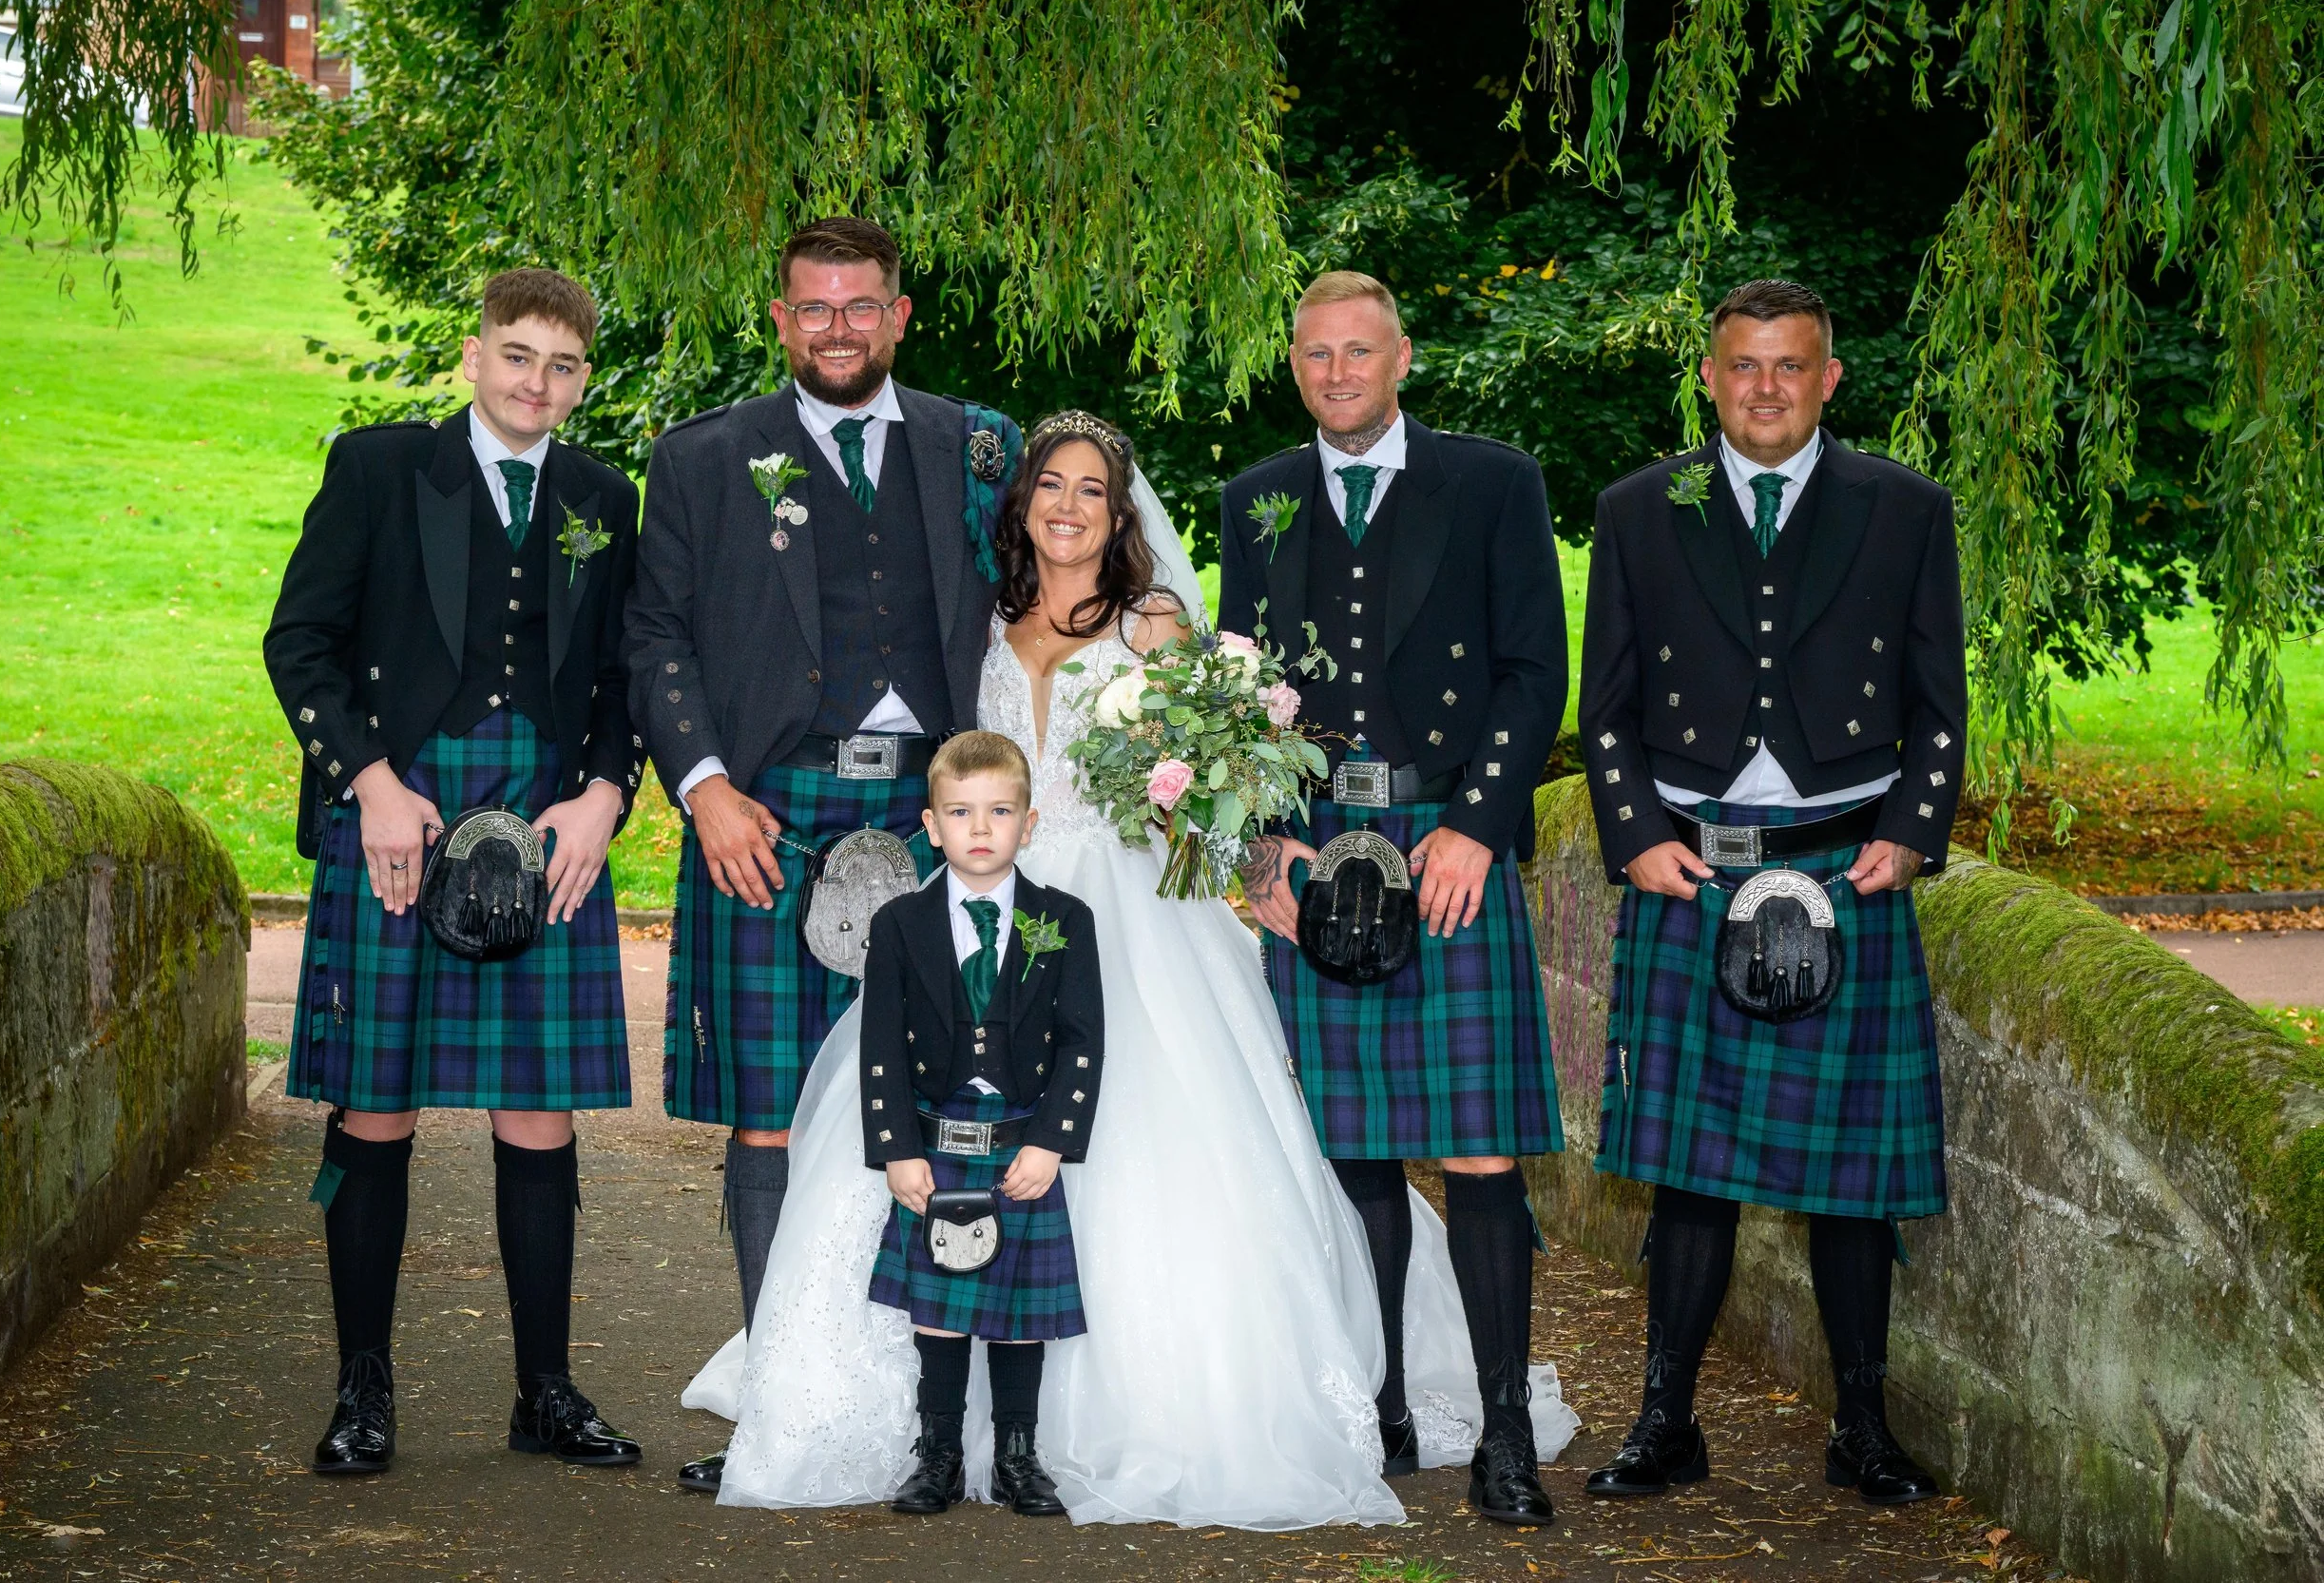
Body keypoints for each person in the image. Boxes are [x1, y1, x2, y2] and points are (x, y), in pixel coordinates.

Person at [684, 411, 1573, 1528]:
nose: (1067, 504)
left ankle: (1149, 1410)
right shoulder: (984, 619)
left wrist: (1227, 839)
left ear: (1120, 511)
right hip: (991, 903)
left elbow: (1218, 772)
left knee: (1156, 1146)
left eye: (1092, 490)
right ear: (1022, 506)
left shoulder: (1155, 628)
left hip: (1133, 914)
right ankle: (937, 1417)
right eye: (1049, 485)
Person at [620, 217, 1021, 1492]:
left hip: (943, 813)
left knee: (957, 1110)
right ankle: (785, 1404)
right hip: (768, 818)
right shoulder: (699, 458)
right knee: (770, 1119)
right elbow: (655, 634)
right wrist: (705, 788)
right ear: (781, 318)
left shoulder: (983, 447)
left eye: (862, 306)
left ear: (899, 315)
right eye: (815, 307)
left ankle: (937, 1414)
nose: (839, 327)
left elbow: (1064, 581)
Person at [1576, 278, 1965, 1505]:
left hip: (1845, 856)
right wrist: (1633, 832)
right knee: (1689, 1166)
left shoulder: (1902, 507)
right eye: (1743, 365)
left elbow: (1937, 693)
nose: (1765, 387)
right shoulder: (1642, 507)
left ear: (1830, 377)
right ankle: (1663, 1420)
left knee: (1855, 1170)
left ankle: (1862, 1426)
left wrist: (1913, 828)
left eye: (1790, 366)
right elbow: (1610, 708)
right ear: (1708, 373)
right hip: (1694, 865)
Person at [265, 267, 645, 1475]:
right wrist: (369, 781)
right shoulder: (381, 468)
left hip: (545, 820)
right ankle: (362, 1391)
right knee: (375, 1104)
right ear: (475, 356)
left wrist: (604, 792)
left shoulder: (600, 493)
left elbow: (624, 674)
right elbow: (301, 641)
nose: (540, 382)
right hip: (401, 809)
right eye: (519, 355)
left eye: (565, 365)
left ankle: (545, 1389)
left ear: (584, 379)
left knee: (537, 1110)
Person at [1219, 271, 1572, 1526]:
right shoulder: (1255, 498)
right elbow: (1234, 688)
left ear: (1402, 356)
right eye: (1316, 354)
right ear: (1297, 361)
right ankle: (1377, 1410)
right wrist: (1262, 842)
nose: (1336, 373)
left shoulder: (1491, 482)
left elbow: (1537, 670)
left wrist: (1478, 822)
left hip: (1443, 835)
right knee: (1349, 1145)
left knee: (1478, 1150)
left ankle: (1507, 1434)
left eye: (1358, 352)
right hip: (1317, 841)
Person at [857, 729, 1104, 1516]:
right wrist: (897, 1152)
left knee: (1020, 1315)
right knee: (939, 1310)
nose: (981, 827)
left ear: (1028, 823)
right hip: (936, 1142)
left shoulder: (1064, 918)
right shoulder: (899, 923)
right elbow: (881, 1051)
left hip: (1020, 1143)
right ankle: (937, 1455)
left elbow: (1082, 1041)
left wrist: (1051, 1142)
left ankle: (1017, 1455)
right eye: (961, 812)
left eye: (1000, 810)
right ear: (931, 825)